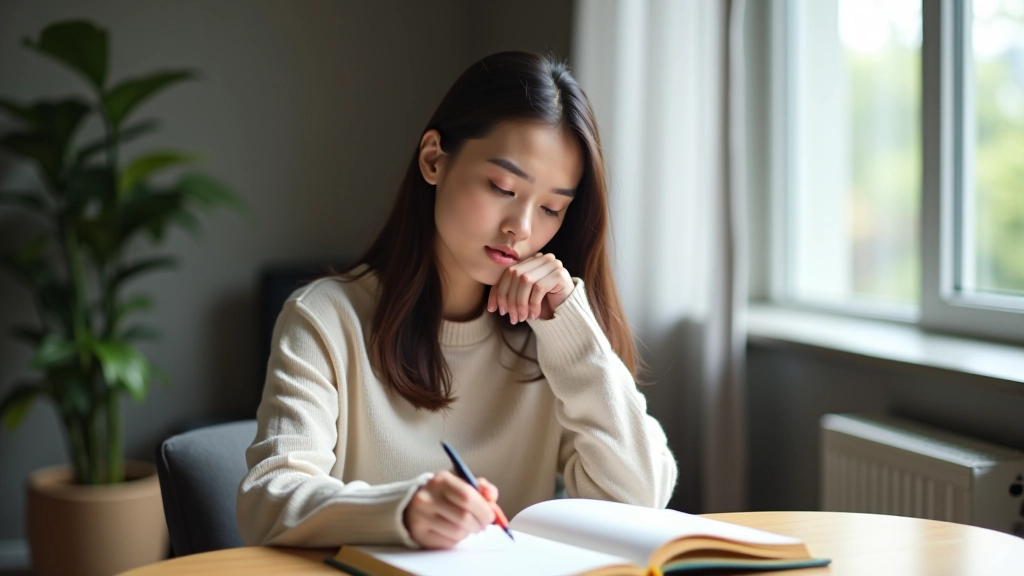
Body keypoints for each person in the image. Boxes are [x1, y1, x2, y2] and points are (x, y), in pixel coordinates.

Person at [236, 50, 678, 550]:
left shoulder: (551, 335)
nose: (523, 228)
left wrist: (573, 334)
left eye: (552, 208)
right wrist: (403, 510)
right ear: (433, 160)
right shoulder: (325, 319)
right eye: (501, 186)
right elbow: (269, 499)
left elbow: (639, 501)